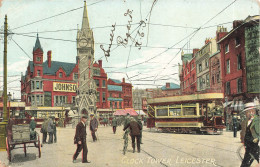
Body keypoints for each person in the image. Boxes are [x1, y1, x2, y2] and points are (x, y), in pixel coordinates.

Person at [240, 102, 259, 167]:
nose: (251, 113)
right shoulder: (245, 121)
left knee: (246, 163)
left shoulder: (257, 121)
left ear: (255, 112)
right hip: (248, 146)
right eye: (248, 112)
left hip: (255, 146)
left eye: (252, 111)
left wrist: (257, 138)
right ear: (245, 113)